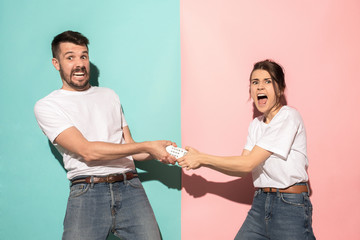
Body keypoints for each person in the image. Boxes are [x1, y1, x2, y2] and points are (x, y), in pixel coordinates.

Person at [34, 30, 177, 240]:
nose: (79, 63)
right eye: (70, 57)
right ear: (56, 63)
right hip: (87, 191)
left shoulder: (109, 95)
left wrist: (158, 152)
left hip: (131, 188)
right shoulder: (48, 106)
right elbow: (87, 151)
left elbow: (130, 148)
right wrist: (147, 145)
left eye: (83, 56)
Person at [177, 59, 316, 239]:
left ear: (280, 89)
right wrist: (199, 161)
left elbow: (247, 164)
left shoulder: (288, 116)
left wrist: (202, 158)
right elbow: (240, 168)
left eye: (268, 81)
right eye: (255, 82)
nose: (259, 87)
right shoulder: (256, 125)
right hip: (260, 204)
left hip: (289, 205)